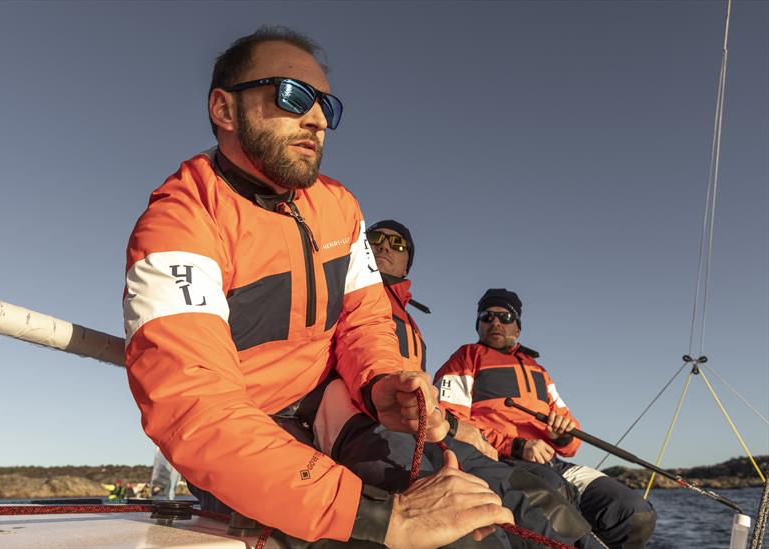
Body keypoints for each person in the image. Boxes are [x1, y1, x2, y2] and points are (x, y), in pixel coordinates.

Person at [123, 26, 511, 548]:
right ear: (224, 109)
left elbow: (366, 320)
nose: (318, 118)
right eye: (292, 95)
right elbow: (192, 404)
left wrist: (382, 383)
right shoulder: (179, 224)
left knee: (493, 520)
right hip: (245, 434)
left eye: (326, 105)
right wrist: (385, 520)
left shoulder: (339, 207)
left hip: (332, 406)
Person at [314, 221, 605, 548]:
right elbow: (355, 353)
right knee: (477, 527)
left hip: (432, 430)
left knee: (545, 502)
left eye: (397, 244)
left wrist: (562, 433)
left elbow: (568, 435)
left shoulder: (538, 371)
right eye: (376, 239)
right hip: (370, 425)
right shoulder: (339, 294)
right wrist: (508, 444)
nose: (384, 246)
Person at [434, 288, 657, 548]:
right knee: (553, 493)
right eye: (487, 316)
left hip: (554, 463)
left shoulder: (539, 371)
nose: (495, 322)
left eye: (504, 317)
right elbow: (452, 423)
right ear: (479, 325)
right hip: (501, 462)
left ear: (517, 328)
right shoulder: (466, 358)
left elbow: (572, 443)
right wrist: (515, 445)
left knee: (634, 512)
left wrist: (561, 434)